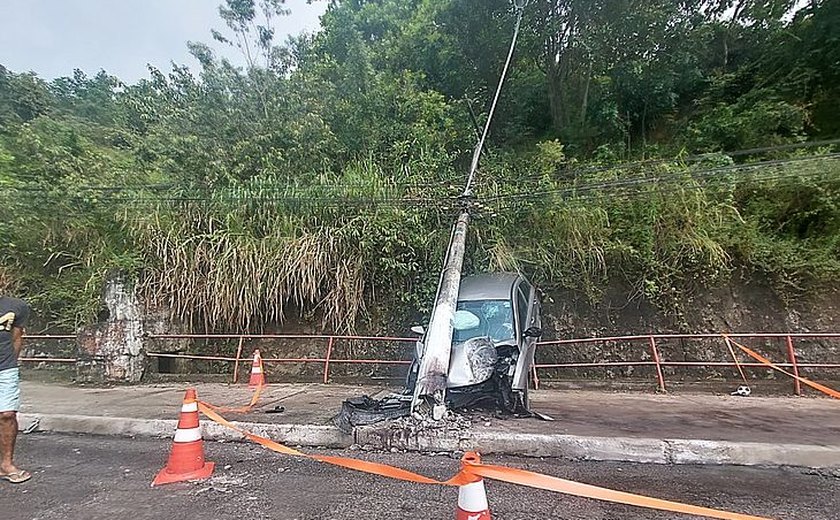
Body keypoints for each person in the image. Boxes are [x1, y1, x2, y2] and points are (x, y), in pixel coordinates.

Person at [0, 295, 31, 484]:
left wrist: (11, 364)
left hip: (5, 368)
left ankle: (6, 465)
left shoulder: (16, 306)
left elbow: (17, 338)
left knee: (7, 414)